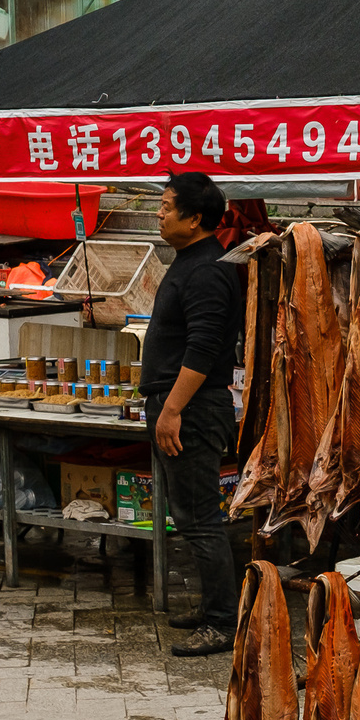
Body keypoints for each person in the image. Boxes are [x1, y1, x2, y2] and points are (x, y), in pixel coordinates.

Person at [142, 171, 242, 657]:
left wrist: (172, 410)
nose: (158, 214)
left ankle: (225, 622)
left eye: (165, 206)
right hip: (181, 405)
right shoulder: (190, 262)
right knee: (190, 514)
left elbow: (203, 349)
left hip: (194, 409)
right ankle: (214, 607)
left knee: (200, 517)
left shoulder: (207, 271)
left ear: (195, 218)